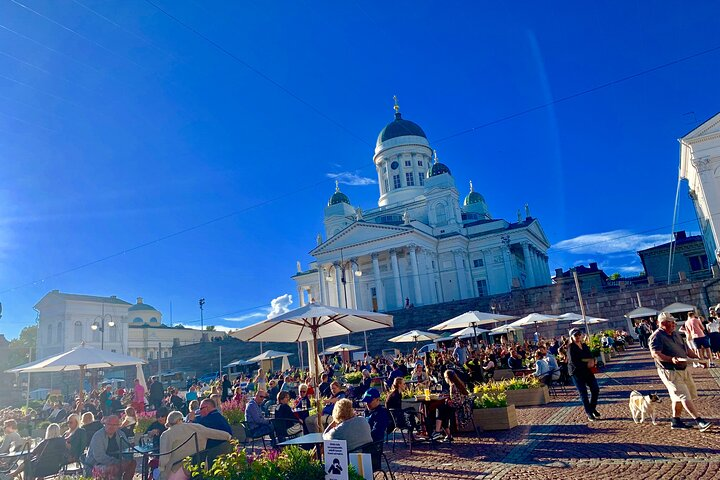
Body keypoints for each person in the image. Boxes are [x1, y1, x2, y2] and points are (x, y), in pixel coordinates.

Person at [649, 312, 712, 431]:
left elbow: (687, 350)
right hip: (670, 371)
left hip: (683, 369)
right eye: (671, 322)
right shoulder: (656, 336)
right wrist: (671, 359)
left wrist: (700, 360)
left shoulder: (676, 334)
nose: (674, 324)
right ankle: (699, 421)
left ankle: (675, 421)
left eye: (674, 322)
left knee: (678, 396)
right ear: (663, 323)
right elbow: (655, 354)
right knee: (683, 395)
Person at [158, 410, 231, 480]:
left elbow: (164, 458)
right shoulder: (197, 427)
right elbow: (217, 434)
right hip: (199, 466)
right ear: (181, 419)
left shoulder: (166, 434)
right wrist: (229, 437)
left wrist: (161, 471)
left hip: (178, 469)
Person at [85, 415, 136, 480]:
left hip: (115, 462)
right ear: (105, 424)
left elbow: (126, 450)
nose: (111, 427)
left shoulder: (121, 434)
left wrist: (128, 458)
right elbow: (99, 457)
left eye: (114, 425)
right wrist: (117, 462)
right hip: (95, 465)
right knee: (113, 468)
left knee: (132, 463)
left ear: (118, 426)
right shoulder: (98, 436)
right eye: (109, 424)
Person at [567, 328, 601, 422]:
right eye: (575, 335)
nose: (578, 337)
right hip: (576, 372)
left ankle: (592, 408)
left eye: (579, 335)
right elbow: (573, 362)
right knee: (583, 393)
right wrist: (586, 363)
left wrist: (593, 360)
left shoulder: (584, 345)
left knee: (595, 389)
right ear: (572, 337)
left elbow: (589, 356)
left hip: (587, 370)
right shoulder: (571, 348)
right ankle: (589, 412)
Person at [431, 370, 469, 443]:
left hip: (457, 407)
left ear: (448, 378)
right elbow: (456, 396)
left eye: (445, 377)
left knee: (440, 409)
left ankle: (437, 431)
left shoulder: (452, 386)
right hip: (462, 406)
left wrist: (446, 400)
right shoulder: (459, 383)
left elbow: (454, 400)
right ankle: (447, 435)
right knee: (442, 413)